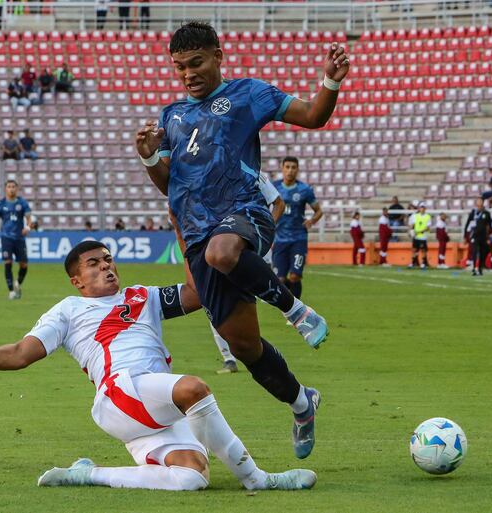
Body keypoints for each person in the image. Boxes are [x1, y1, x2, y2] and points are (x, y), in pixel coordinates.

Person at [0, 240, 316, 491]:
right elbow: (22, 353)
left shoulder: (142, 296)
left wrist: (185, 232)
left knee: (192, 477)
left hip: (152, 406)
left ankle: (88, 474)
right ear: (77, 280)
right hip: (118, 393)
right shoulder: (68, 310)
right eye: (94, 264)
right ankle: (258, 479)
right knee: (194, 389)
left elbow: (197, 292)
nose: (106, 266)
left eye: (108, 260)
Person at [135, 21, 349, 458]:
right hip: (197, 239)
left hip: (244, 213)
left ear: (218, 55)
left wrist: (329, 80)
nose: (188, 74)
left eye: (196, 63)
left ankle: (296, 311)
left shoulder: (248, 94)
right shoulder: (171, 115)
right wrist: (149, 156)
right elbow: (170, 185)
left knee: (223, 251)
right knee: (243, 345)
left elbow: (312, 115)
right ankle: (302, 403)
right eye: (179, 67)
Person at [210, 171, 285, 375]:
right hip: (222, 249)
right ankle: (229, 359)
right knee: (214, 305)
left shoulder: (254, 173)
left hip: (249, 248)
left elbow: (278, 203)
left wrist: (266, 228)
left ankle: (294, 315)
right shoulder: (211, 172)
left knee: (247, 306)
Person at [271, 157, 323, 299]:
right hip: (280, 239)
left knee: (294, 276)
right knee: (280, 280)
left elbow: (319, 211)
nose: (290, 170)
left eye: (293, 167)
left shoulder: (304, 189)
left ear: (297, 169)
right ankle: (290, 300)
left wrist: (311, 221)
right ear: (282, 168)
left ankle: (296, 313)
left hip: (298, 238)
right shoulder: (273, 187)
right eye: (287, 167)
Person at [0, 180, 32, 300]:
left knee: (24, 264)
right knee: (8, 263)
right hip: (6, 238)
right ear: (5, 189)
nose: (11, 189)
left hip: (19, 238)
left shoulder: (22, 203)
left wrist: (27, 227)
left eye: (13, 187)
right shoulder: (1, 204)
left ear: (17, 189)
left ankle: (17, 283)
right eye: (9, 187)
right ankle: (11, 291)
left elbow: (29, 219)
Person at [465, 198, 492, 276]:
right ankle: (474, 268)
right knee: (474, 251)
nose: (479, 202)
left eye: (480, 201)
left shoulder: (486, 213)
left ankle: (480, 268)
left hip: (483, 236)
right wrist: (465, 235)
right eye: (478, 201)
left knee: (484, 252)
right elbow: (467, 223)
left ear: (483, 203)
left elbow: (489, 225)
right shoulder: (473, 213)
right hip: (474, 235)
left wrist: (489, 236)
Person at [408, 203, 431, 269]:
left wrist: (419, 232)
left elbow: (428, 227)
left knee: (423, 250)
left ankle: (423, 262)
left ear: (425, 209)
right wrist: (411, 231)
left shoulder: (427, 216)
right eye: (421, 207)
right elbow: (412, 224)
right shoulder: (416, 216)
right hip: (416, 236)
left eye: (423, 207)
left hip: (423, 236)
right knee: (414, 249)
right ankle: (413, 262)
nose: (422, 209)